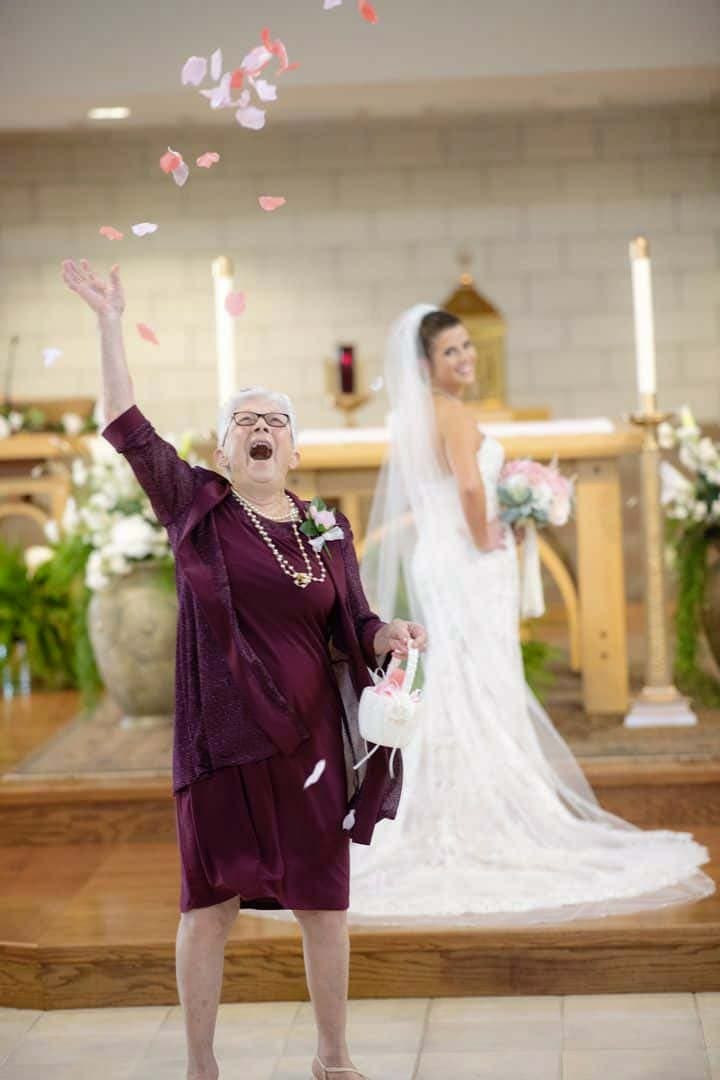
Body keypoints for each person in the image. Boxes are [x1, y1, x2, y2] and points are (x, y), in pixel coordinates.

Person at [60, 258, 428, 1080]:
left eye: (276, 419)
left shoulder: (328, 529)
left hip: (311, 748)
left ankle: (334, 1061)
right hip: (222, 746)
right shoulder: (197, 508)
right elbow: (125, 423)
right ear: (223, 446)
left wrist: (390, 635)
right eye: (244, 420)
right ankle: (201, 1067)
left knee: (324, 907)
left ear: (294, 445)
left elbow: (356, 627)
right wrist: (109, 322)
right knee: (210, 906)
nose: (261, 428)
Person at [350, 303, 714, 926]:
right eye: (451, 352)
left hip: (442, 558)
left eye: (468, 348)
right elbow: (468, 486)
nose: (465, 359)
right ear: (424, 364)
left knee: (464, 681)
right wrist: (491, 529)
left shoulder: (418, 415)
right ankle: (480, 809)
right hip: (467, 559)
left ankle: (445, 805)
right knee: (482, 682)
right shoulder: (455, 413)